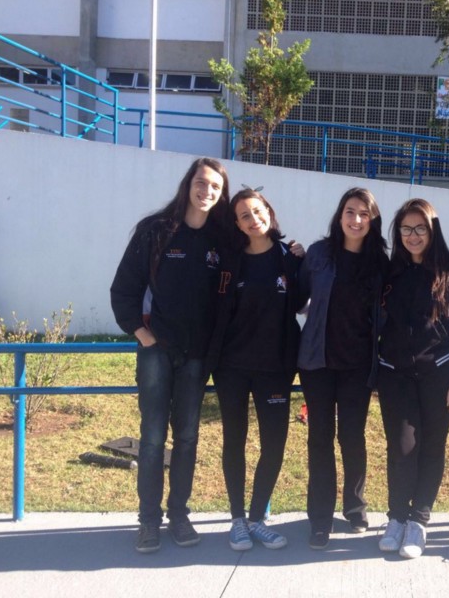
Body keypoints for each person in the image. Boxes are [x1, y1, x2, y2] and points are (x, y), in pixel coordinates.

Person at [110, 157, 232, 554]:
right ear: (188, 184)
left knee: (187, 437)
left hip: (196, 357)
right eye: (202, 182)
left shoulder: (221, 240)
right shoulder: (156, 231)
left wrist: (292, 250)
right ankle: (149, 521)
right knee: (151, 438)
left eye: (215, 187)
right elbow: (123, 289)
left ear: (222, 194)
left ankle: (179, 515)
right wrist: (143, 335)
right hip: (156, 352)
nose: (207, 191)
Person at [377, 198, 449, 559]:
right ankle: (396, 517)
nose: (413, 235)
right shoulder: (390, 272)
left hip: (439, 376)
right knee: (402, 447)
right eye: (406, 228)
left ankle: (418, 521)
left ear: (432, 230)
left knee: (432, 447)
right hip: (395, 375)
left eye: (420, 228)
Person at [207, 188, 304, 552]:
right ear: (236, 224)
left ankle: (257, 519)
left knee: (274, 444)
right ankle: (237, 519)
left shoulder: (290, 257)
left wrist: (301, 259)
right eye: (244, 215)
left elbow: (305, 302)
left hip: (275, 367)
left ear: (269, 211)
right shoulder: (228, 261)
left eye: (257, 211)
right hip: (231, 366)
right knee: (234, 440)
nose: (253, 219)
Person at [297, 187, 388, 549]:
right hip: (317, 362)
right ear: (340, 215)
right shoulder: (319, 254)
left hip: (357, 366)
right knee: (319, 438)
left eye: (364, 214)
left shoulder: (380, 263)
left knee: (352, 437)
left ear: (372, 220)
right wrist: (291, 258)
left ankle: (355, 508)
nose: (356, 219)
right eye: (350, 211)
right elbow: (297, 296)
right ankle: (320, 519)